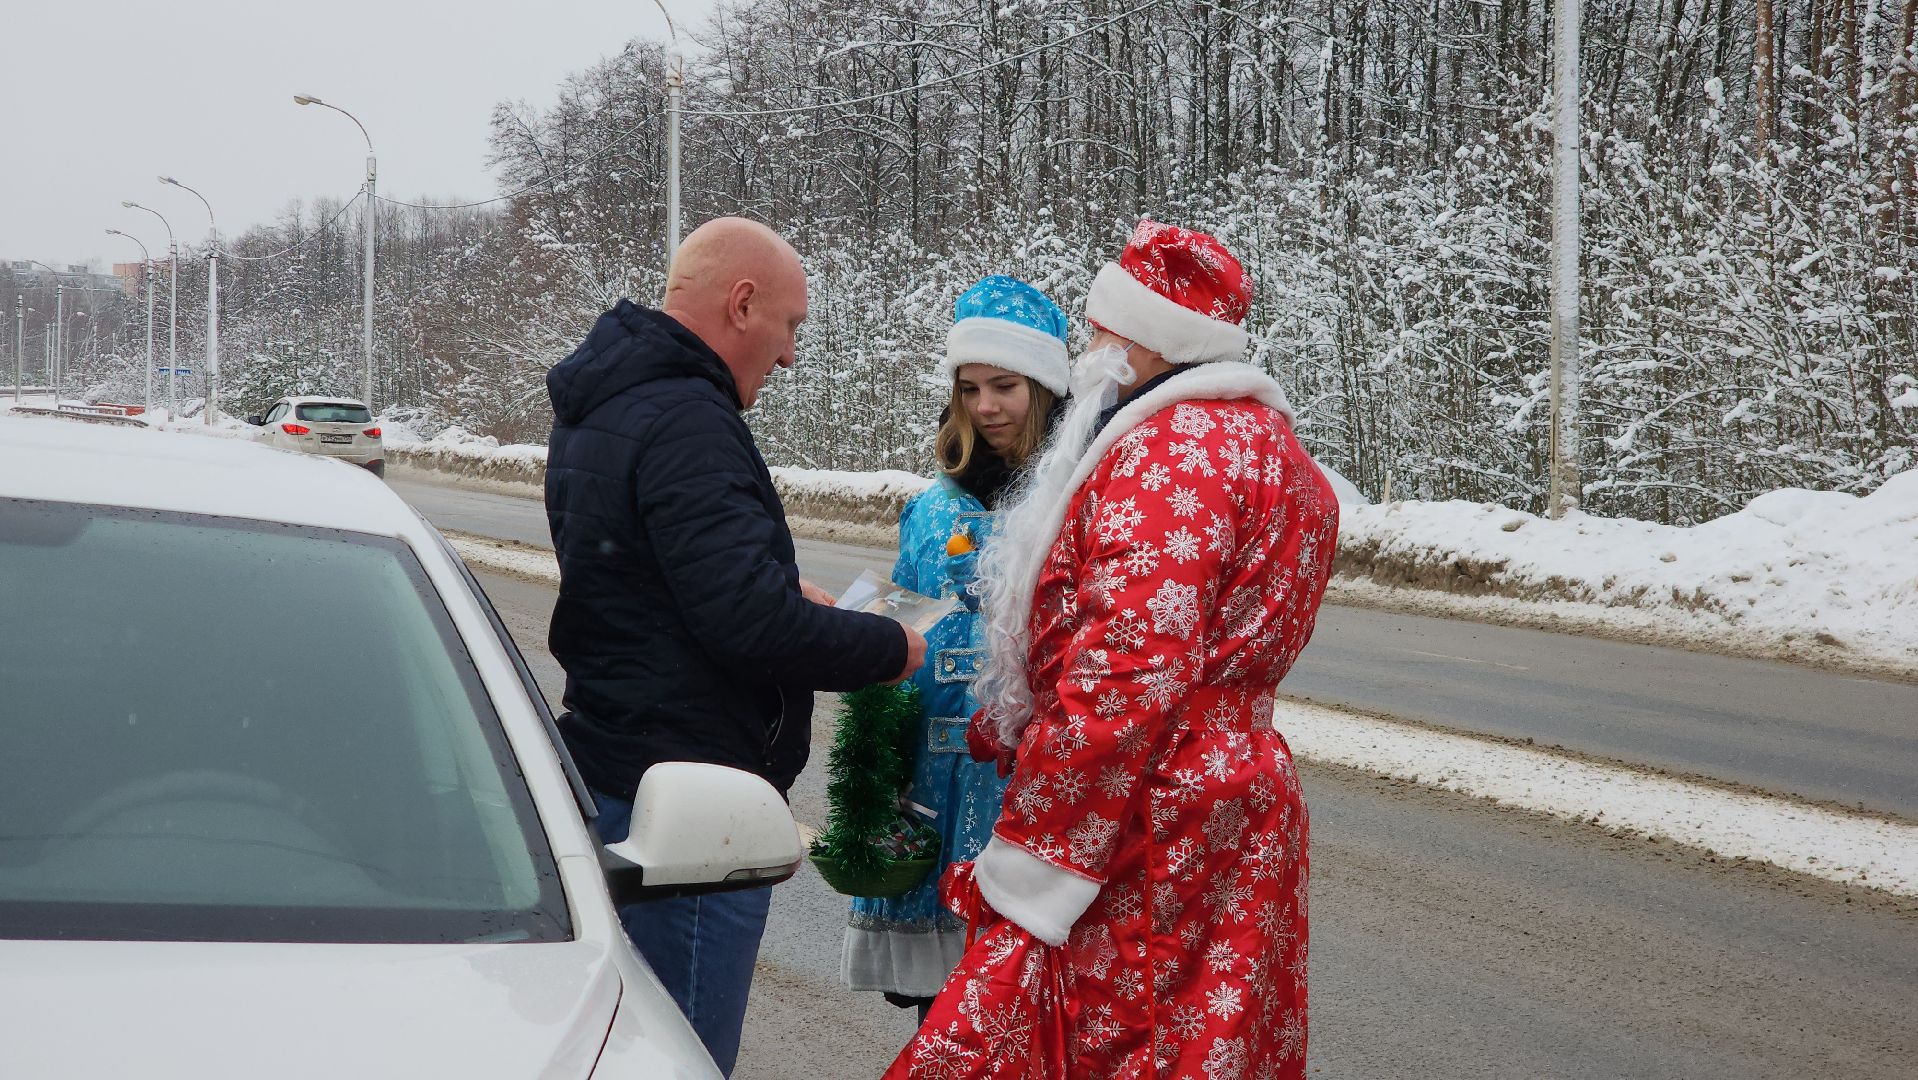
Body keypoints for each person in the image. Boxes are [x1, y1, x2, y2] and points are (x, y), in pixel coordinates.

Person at [887, 221, 1341, 1079]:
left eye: (1101, 328)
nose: (1091, 346)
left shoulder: (1171, 456)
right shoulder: (1276, 452)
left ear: (1140, 339)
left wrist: (1035, 852)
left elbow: (1126, 675)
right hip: (1239, 796)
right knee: (1219, 1036)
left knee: (1131, 1036)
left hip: (1153, 813)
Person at [542, 216, 927, 1076]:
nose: (790, 355)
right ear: (742, 303)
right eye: (790, 326)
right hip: (692, 812)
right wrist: (885, 646)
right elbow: (746, 625)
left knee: (632, 1044)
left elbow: (644, 575)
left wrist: (767, 582)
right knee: (681, 1054)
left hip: (622, 765)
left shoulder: (617, 401)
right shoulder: (688, 417)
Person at [841, 276, 1069, 1020]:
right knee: (938, 1019)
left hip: (1029, 794)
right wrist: (873, 765)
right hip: (934, 790)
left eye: (1003, 386)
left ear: (1044, 386)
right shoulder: (933, 507)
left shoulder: (1075, 498)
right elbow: (903, 628)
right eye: (969, 388)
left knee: (1027, 1011)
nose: (985, 407)